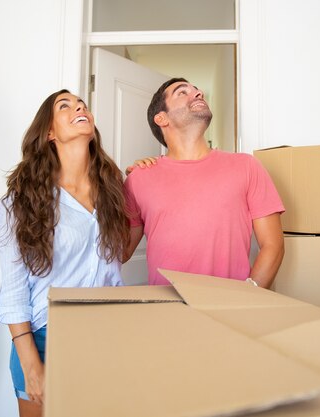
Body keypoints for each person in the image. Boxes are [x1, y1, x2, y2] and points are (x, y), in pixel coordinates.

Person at [0, 90, 130, 417]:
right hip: (43, 339)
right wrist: (31, 365)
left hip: (105, 332)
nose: (79, 106)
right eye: (64, 106)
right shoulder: (22, 201)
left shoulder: (113, 189)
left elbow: (119, 258)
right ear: (50, 132)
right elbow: (13, 291)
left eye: (81, 103)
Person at [122, 78, 285, 288]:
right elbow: (121, 253)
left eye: (197, 90)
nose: (198, 93)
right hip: (165, 312)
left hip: (229, 311)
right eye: (183, 92)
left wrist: (246, 299)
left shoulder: (246, 166)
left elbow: (273, 246)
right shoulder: (139, 178)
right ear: (162, 118)